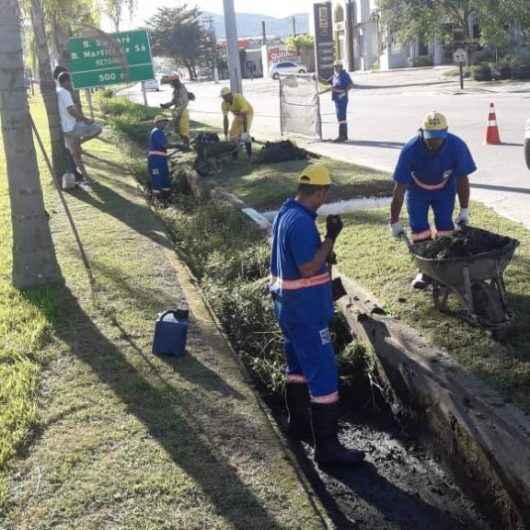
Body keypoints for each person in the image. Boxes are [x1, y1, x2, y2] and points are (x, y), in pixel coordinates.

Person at [270, 163, 365, 466]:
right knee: (323, 375)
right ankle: (328, 449)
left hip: (291, 309)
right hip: (306, 313)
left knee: (297, 368)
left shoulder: (286, 213)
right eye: (326, 193)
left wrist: (323, 250)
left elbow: (307, 259)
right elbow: (308, 267)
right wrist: (331, 238)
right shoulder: (300, 222)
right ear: (321, 192)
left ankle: (298, 425)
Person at [390, 111, 476, 289]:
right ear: (421, 131)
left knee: (445, 226)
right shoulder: (410, 149)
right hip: (417, 190)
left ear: (446, 131)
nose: (434, 142)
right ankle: (426, 270)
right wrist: (394, 221)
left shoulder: (457, 145)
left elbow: (462, 179)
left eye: (438, 137)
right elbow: (399, 189)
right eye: (430, 138)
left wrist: (464, 209)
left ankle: (444, 266)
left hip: (444, 189)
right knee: (419, 228)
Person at [56, 71, 102, 187]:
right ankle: (79, 141)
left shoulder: (56, 92)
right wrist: (85, 119)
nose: (71, 84)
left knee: (76, 154)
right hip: (72, 127)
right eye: (70, 81)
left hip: (64, 130)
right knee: (98, 128)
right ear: (66, 81)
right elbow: (71, 110)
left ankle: (87, 178)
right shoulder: (65, 92)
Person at [148, 115, 176, 203]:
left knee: (164, 177)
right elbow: (165, 145)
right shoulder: (157, 132)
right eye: (163, 122)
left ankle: (166, 199)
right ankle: (158, 200)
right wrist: (178, 145)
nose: (165, 124)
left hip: (161, 159)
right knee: (157, 177)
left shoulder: (159, 132)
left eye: (166, 122)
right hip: (155, 160)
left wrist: (167, 135)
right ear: (157, 123)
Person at [220, 87, 253, 160]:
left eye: (225, 96)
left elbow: (244, 112)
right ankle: (234, 156)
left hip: (247, 113)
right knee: (232, 134)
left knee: (245, 135)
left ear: (230, 94)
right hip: (239, 115)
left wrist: (244, 131)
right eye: (223, 97)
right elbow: (225, 119)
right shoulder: (224, 104)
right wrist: (225, 132)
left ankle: (249, 155)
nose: (224, 98)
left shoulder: (238, 97)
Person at [160, 72, 190, 149]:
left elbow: (183, 102)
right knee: (179, 130)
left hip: (182, 112)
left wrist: (177, 113)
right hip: (177, 112)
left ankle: (186, 145)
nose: (171, 84)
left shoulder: (181, 89)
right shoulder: (176, 90)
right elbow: (173, 101)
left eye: (172, 82)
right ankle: (184, 144)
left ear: (176, 81)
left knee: (183, 130)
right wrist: (166, 105)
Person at [326, 60, 354, 143]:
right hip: (336, 99)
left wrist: (341, 91)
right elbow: (326, 82)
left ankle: (342, 136)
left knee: (342, 117)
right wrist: (316, 78)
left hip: (342, 99)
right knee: (340, 117)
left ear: (340, 67)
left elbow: (351, 85)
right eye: (334, 66)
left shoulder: (344, 75)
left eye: (336, 66)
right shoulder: (335, 75)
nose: (335, 68)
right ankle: (343, 136)